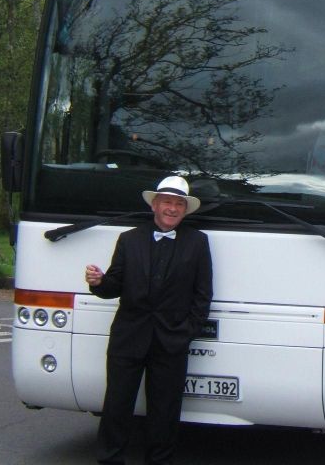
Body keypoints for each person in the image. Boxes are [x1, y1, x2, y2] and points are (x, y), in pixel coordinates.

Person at [84, 175, 213, 464]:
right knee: (117, 404)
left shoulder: (198, 242)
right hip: (128, 337)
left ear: (185, 210)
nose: (172, 209)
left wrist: (186, 332)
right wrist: (99, 282)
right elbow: (113, 286)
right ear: (154, 205)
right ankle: (110, 458)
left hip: (171, 341)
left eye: (179, 204)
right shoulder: (129, 239)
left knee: (165, 410)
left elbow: (203, 295)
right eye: (167, 202)